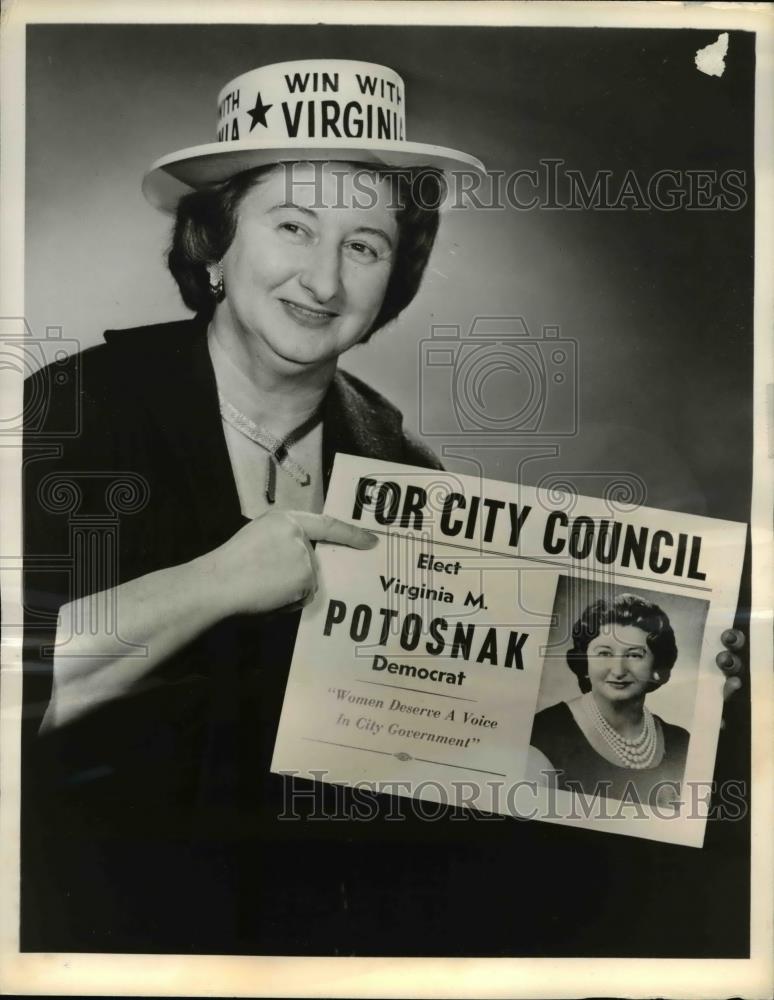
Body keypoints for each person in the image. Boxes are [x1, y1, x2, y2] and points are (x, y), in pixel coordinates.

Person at [22, 59, 745, 955]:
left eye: (363, 245)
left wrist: (715, 680)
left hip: (330, 927)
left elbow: (435, 743)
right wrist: (215, 582)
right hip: (97, 923)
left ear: (390, 279)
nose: (323, 281)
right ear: (215, 243)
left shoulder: (406, 469)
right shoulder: (78, 407)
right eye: (292, 226)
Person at [530, 593, 696, 805]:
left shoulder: (681, 743)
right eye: (604, 654)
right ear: (585, 663)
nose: (618, 670)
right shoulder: (544, 732)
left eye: (635, 655)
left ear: (657, 667)